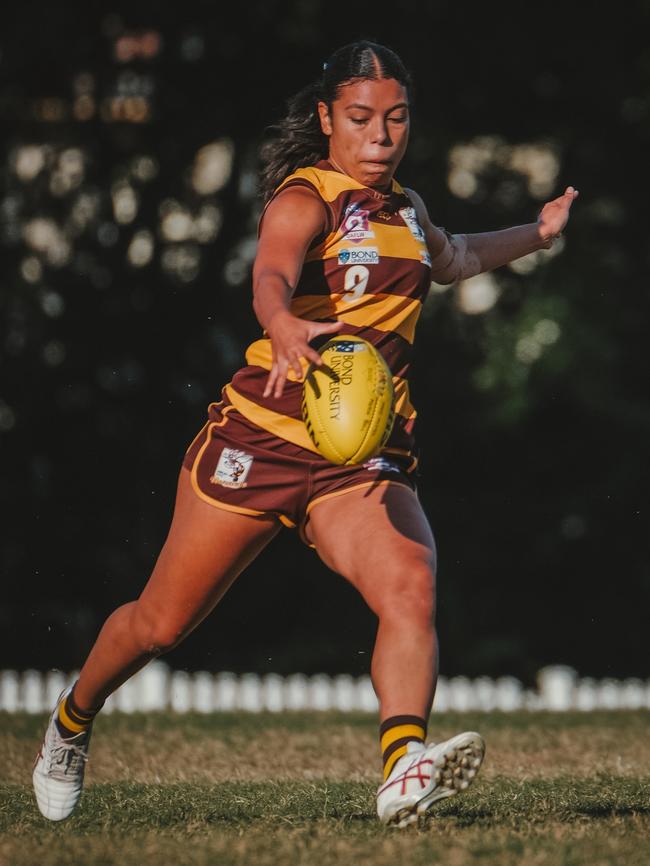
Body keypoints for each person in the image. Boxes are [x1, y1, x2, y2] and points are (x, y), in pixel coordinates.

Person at [33, 40, 578, 828]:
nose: (380, 137)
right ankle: (72, 723)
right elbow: (271, 274)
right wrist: (282, 320)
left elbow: (454, 257)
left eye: (395, 120)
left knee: (411, 589)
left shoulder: (408, 209)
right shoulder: (308, 197)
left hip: (358, 458)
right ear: (327, 119)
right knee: (160, 623)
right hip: (262, 439)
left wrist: (538, 231)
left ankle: (401, 769)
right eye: (360, 119)